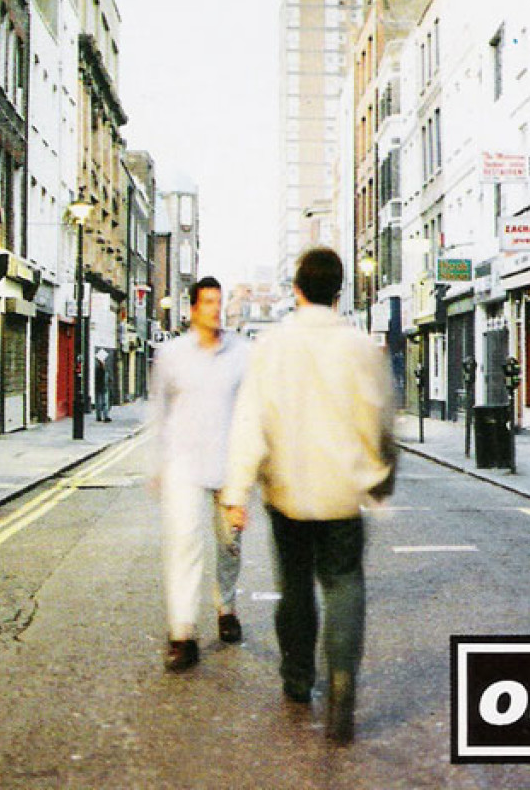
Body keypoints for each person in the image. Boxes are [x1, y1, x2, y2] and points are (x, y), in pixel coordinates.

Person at [221, 247, 396, 743]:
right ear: (339, 292)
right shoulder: (360, 346)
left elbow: (250, 422)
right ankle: (341, 681)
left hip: (288, 493)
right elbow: (379, 418)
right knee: (344, 585)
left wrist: (236, 491)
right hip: (342, 493)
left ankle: (298, 678)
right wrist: (379, 477)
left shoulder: (271, 346)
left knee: (295, 587)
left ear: (296, 289)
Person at [149, 276, 250, 673]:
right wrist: (157, 463)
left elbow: (251, 413)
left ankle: (226, 607)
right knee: (184, 546)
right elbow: (159, 411)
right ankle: (183, 634)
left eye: (218, 302)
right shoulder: (172, 355)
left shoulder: (242, 353)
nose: (214, 309)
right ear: (192, 309)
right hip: (184, 466)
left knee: (229, 545)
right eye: (207, 302)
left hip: (228, 465)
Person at [94, 355, 111, 422]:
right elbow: (102, 379)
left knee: (103, 403)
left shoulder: (103, 370)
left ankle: (102, 416)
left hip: (103, 388)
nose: (103, 363)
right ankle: (102, 417)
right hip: (101, 388)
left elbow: (108, 378)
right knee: (102, 403)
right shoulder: (101, 370)